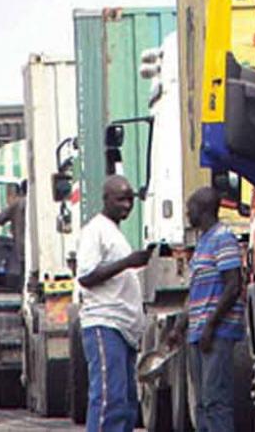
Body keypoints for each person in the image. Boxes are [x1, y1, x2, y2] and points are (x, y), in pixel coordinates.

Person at [77, 175, 153, 432]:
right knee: (109, 399)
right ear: (106, 199)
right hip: (104, 323)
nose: (127, 205)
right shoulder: (94, 231)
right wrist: (128, 263)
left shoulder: (115, 233)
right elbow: (86, 276)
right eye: (121, 199)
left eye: (130, 199)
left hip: (124, 329)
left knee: (127, 403)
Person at [166, 187, 245, 432]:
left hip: (216, 334)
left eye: (190, 209)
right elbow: (196, 291)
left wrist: (211, 325)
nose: (187, 214)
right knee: (201, 404)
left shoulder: (223, 238)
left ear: (202, 211)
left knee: (215, 401)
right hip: (199, 333)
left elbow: (233, 285)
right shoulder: (203, 243)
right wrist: (180, 325)